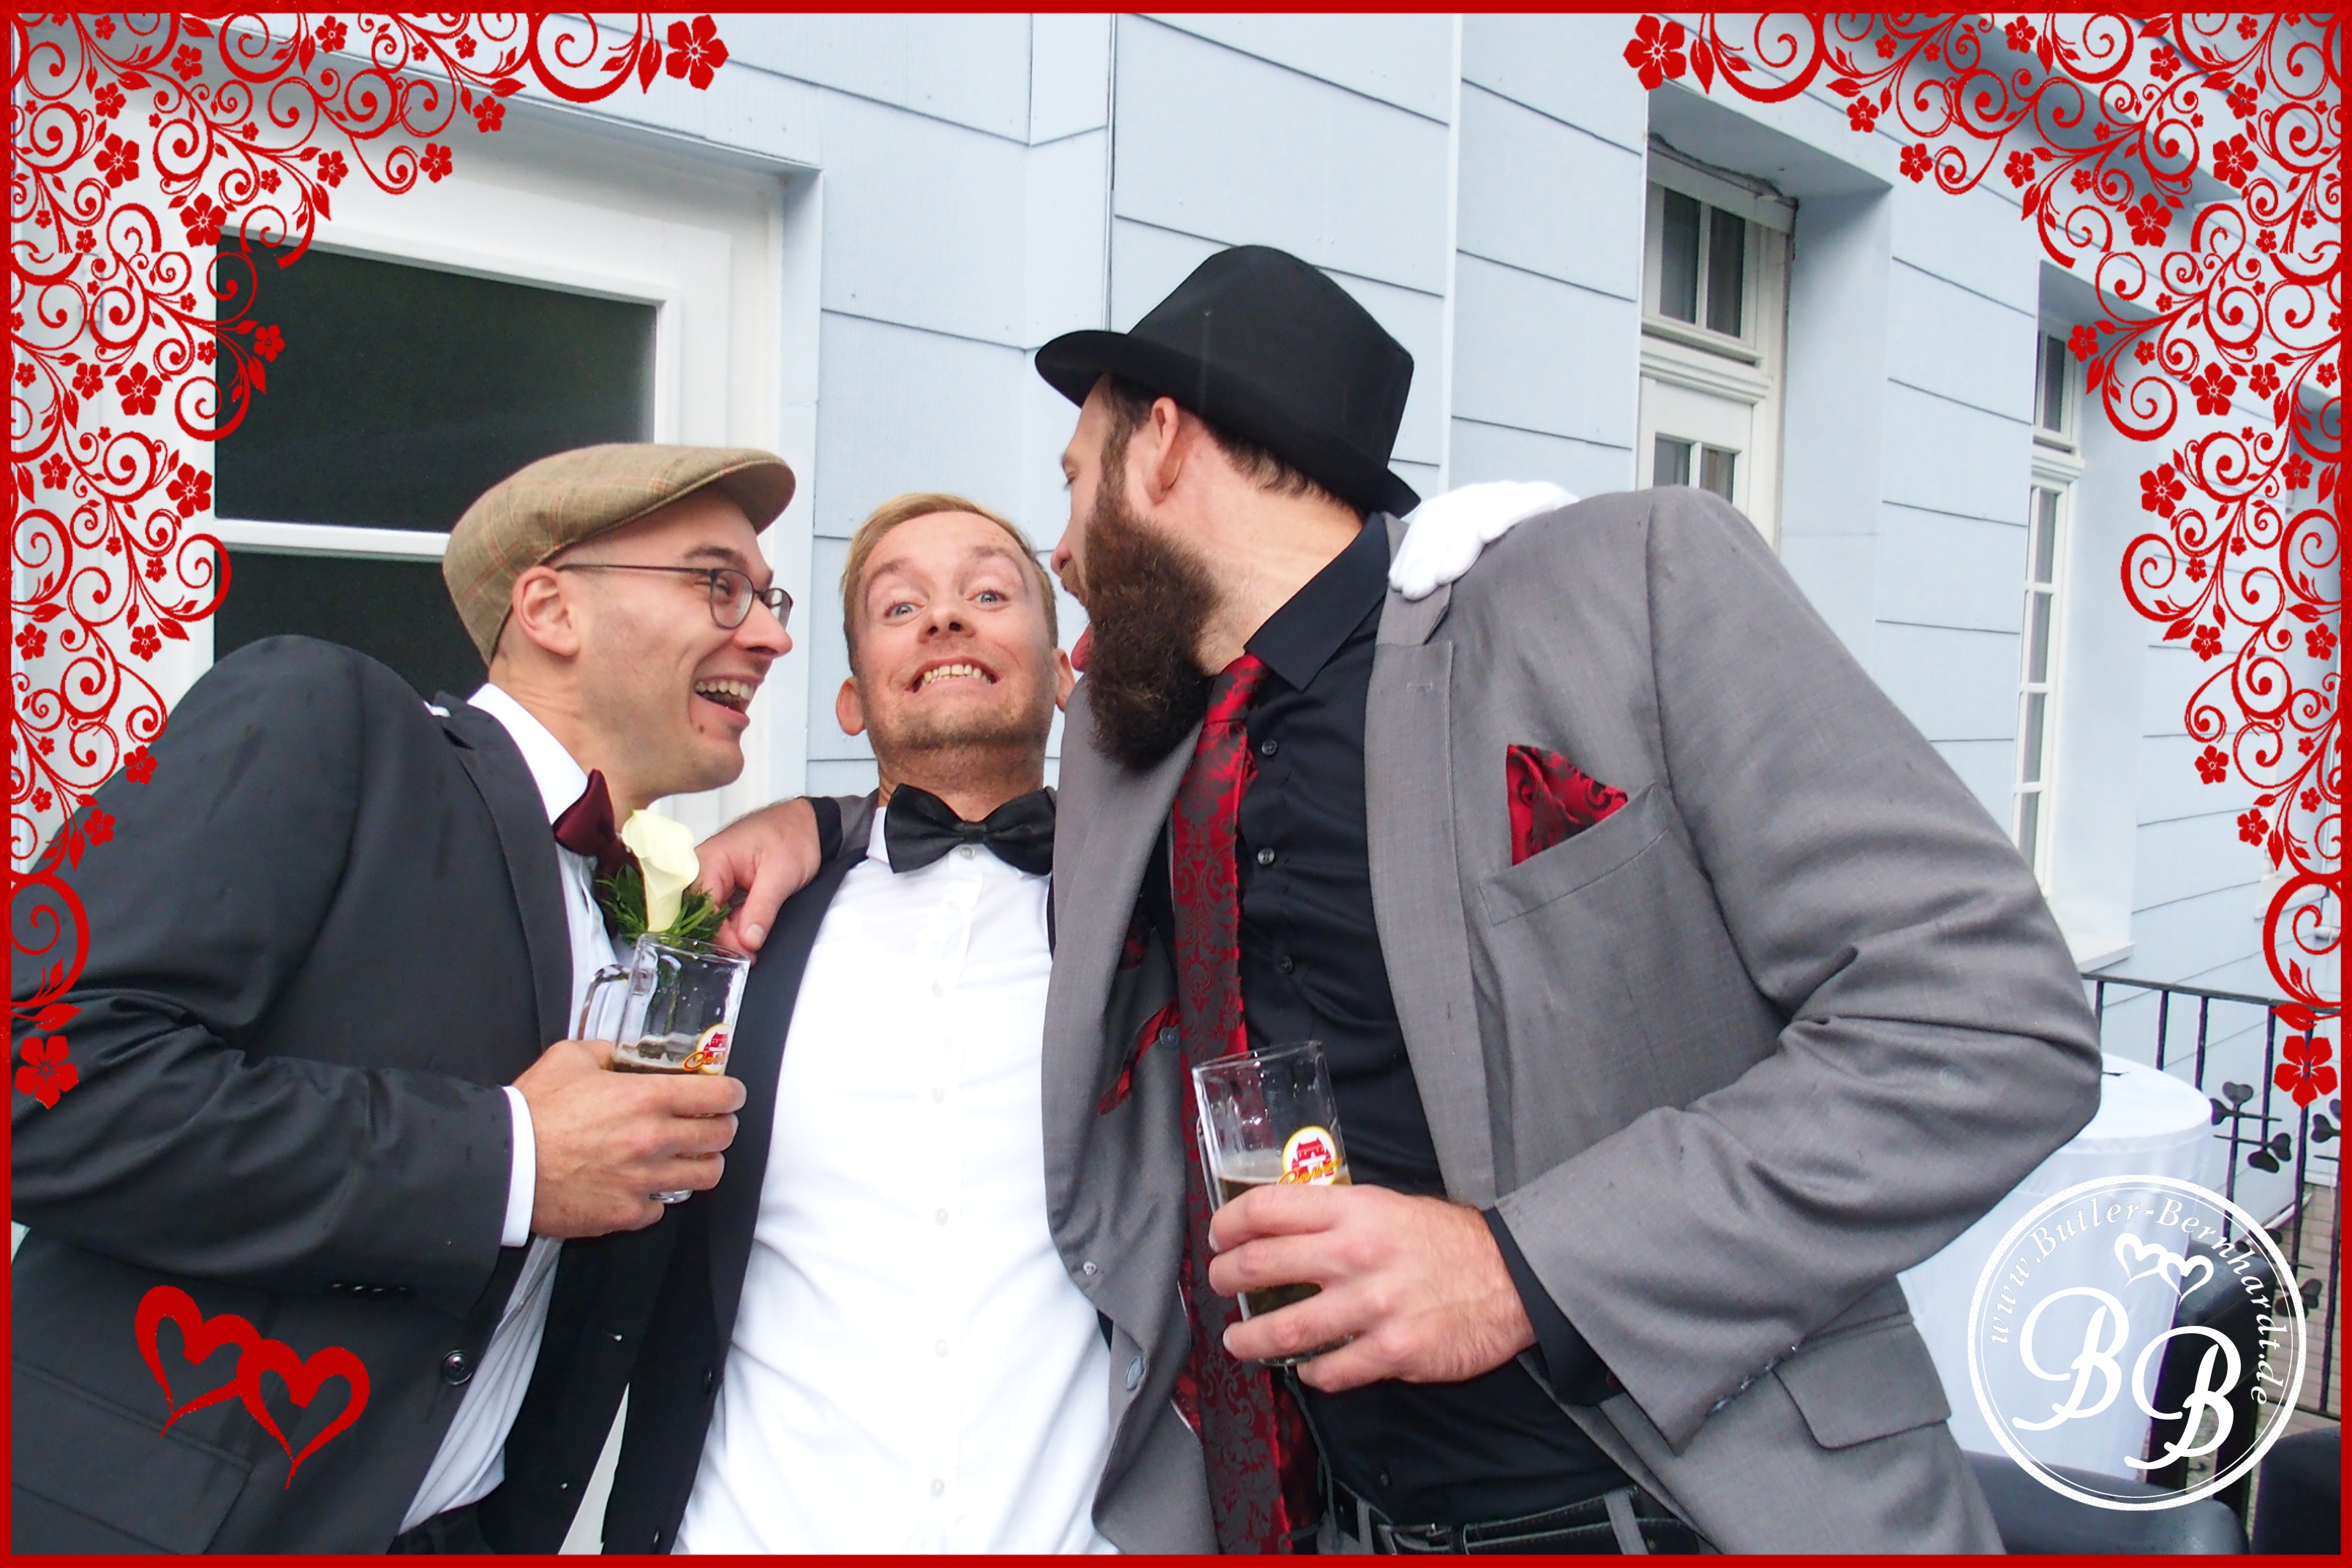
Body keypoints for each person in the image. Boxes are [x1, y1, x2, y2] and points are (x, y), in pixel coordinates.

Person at [704, 246, 2106, 1555]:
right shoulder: (1142, 758)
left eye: (1074, 482)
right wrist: (819, 825)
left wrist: (1520, 1271)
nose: (1063, 552)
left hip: (1700, 1507)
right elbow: (976, 821)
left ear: (1165, 443)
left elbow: (1990, 1028)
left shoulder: (1619, 587)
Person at [9, 443, 791, 1553]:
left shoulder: (649, 914)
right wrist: (511, 1158)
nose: (770, 635)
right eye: (718, 583)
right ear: (551, 608)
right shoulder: (327, 718)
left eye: (768, 598)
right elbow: (40, 1076)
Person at [602, 493, 1199, 1553]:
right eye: (900, 606)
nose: (947, 619)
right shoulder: (742, 928)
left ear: (1062, 677)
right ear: (850, 700)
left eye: (989, 594)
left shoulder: (1157, 915)